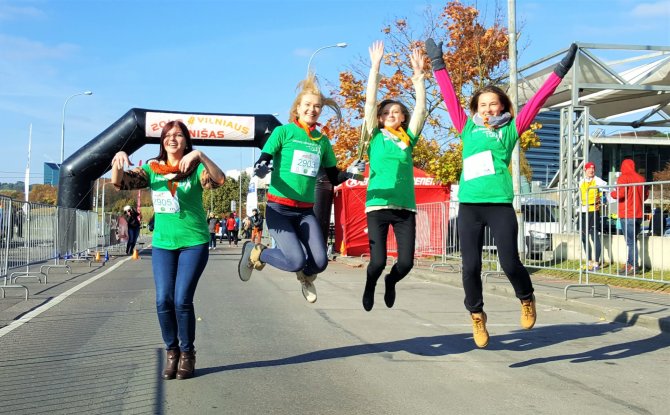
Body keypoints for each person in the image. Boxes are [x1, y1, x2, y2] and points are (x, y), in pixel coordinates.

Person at [426, 38, 577, 348]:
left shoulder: (511, 129)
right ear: (475, 110)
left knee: (509, 262)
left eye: (493, 103)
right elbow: (449, 96)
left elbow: (538, 99)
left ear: (503, 106)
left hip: (498, 205)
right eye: (482, 104)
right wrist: (438, 63)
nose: (488, 108)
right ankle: (477, 316)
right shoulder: (466, 128)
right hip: (469, 205)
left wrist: (561, 69)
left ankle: (526, 297)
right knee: (470, 267)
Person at [111, 120, 225, 380]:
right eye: (168, 135)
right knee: (163, 299)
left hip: (194, 242)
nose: (173, 139)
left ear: (186, 140)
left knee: (182, 299)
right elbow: (120, 183)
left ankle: (187, 353)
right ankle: (171, 351)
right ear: (162, 141)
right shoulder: (153, 168)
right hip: (163, 244)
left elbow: (219, 180)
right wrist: (116, 162)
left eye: (179, 135)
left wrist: (201, 155)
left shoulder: (195, 167)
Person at [238, 73, 361, 303]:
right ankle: (257, 252)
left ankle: (305, 277)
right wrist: (262, 167)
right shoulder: (283, 132)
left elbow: (334, 177)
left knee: (320, 263)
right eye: (307, 105)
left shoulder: (322, 141)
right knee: (295, 260)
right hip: (279, 210)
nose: (312, 110)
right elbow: (263, 158)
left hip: (305, 212)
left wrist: (351, 172)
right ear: (297, 107)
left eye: (317, 106)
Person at [360, 41, 427, 312]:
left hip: (404, 209)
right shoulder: (373, 137)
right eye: (386, 112)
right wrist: (375, 68)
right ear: (379, 119)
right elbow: (370, 102)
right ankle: (370, 284)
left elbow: (421, 109)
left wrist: (419, 76)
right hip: (377, 207)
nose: (391, 115)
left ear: (402, 118)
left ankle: (391, 281)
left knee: (406, 263)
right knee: (377, 261)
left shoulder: (407, 139)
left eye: (396, 112)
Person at [610, 159, 649, 275]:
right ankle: (630, 263)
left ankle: (633, 266)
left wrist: (612, 193)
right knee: (633, 240)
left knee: (630, 242)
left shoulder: (623, 178)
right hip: (638, 214)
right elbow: (645, 195)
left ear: (623, 167)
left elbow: (620, 194)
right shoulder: (641, 178)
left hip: (627, 213)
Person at [579, 162, 607, 271]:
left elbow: (607, 187)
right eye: (589, 169)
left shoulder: (598, 180)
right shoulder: (581, 182)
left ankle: (596, 262)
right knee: (584, 237)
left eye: (593, 169)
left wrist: (603, 199)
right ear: (585, 170)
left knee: (594, 236)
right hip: (583, 210)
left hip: (593, 210)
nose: (591, 171)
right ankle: (589, 261)